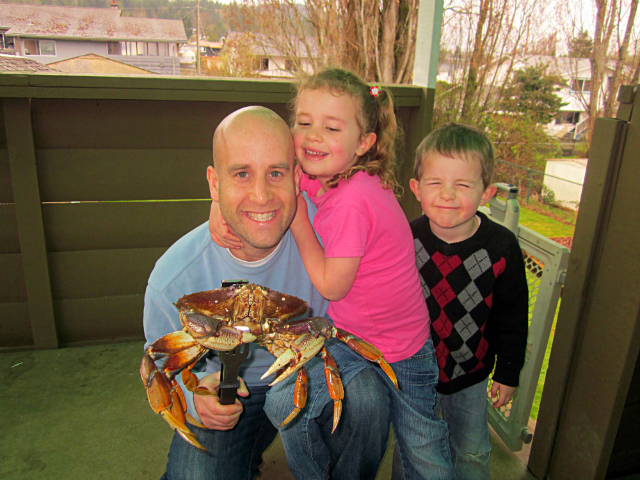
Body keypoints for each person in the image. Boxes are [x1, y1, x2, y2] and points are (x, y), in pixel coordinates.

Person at [211, 68, 455, 479]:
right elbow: (274, 178)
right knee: (283, 401)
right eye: (303, 123)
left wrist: (301, 223)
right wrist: (218, 205)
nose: (312, 136)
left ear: (363, 142)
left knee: (423, 450)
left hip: (402, 351)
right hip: (354, 339)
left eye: (330, 127)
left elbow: (332, 285)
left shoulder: (353, 200)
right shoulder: (330, 175)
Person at [143, 106, 391, 480]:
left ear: (295, 178)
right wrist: (194, 399)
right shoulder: (174, 277)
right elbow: (157, 362)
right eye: (241, 174)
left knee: (368, 397)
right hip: (228, 391)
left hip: (306, 378)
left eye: (275, 173)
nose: (261, 195)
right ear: (214, 184)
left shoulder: (334, 248)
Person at [404, 122, 529, 479]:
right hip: (414, 372)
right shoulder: (404, 238)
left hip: (471, 375)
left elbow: (513, 317)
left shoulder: (501, 248)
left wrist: (508, 372)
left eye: (462, 185)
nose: (447, 195)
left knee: (471, 452)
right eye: (435, 183)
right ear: (416, 188)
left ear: (486, 193)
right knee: (413, 448)